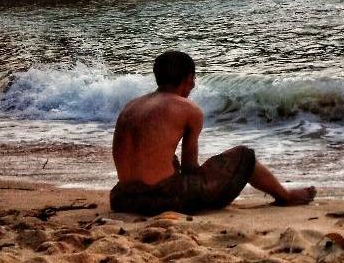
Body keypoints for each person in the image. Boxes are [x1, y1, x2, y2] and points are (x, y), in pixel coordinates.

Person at [110, 51, 316, 215]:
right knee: (245, 157)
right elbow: (190, 168)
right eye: (193, 79)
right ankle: (285, 196)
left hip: (122, 199)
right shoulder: (188, 109)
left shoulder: (131, 106)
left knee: (171, 163)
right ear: (188, 79)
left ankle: (284, 194)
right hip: (161, 199)